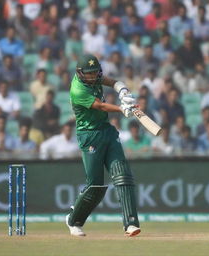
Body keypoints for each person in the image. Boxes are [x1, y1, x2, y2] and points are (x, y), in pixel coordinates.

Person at [66, 54, 140, 237]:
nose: (93, 77)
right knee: (95, 186)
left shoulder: (96, 76)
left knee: (123, 175)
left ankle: (130, 224)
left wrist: (123, 90)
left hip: (106, 130)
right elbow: (100, 106)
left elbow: (113, 82)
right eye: (88, 74)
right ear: (80, 73)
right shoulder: (77, 89)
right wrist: (123, 109)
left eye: (94, 73)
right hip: (89, 135)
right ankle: (73, 220)